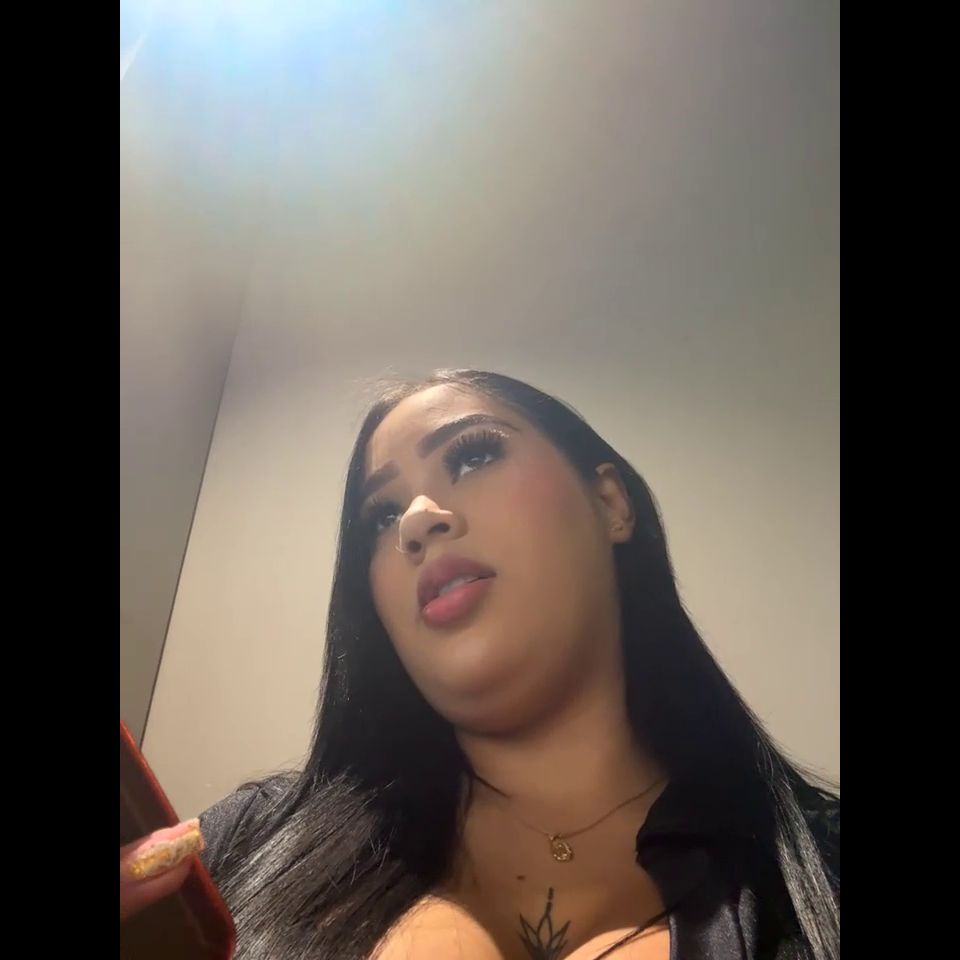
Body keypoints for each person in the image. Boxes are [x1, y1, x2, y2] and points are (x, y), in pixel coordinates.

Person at [120, 369, 839, 960]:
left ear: (610, 503)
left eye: (472, 456)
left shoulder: (822, 867)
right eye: (380, 517)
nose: (416, 520)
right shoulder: (251, 840)